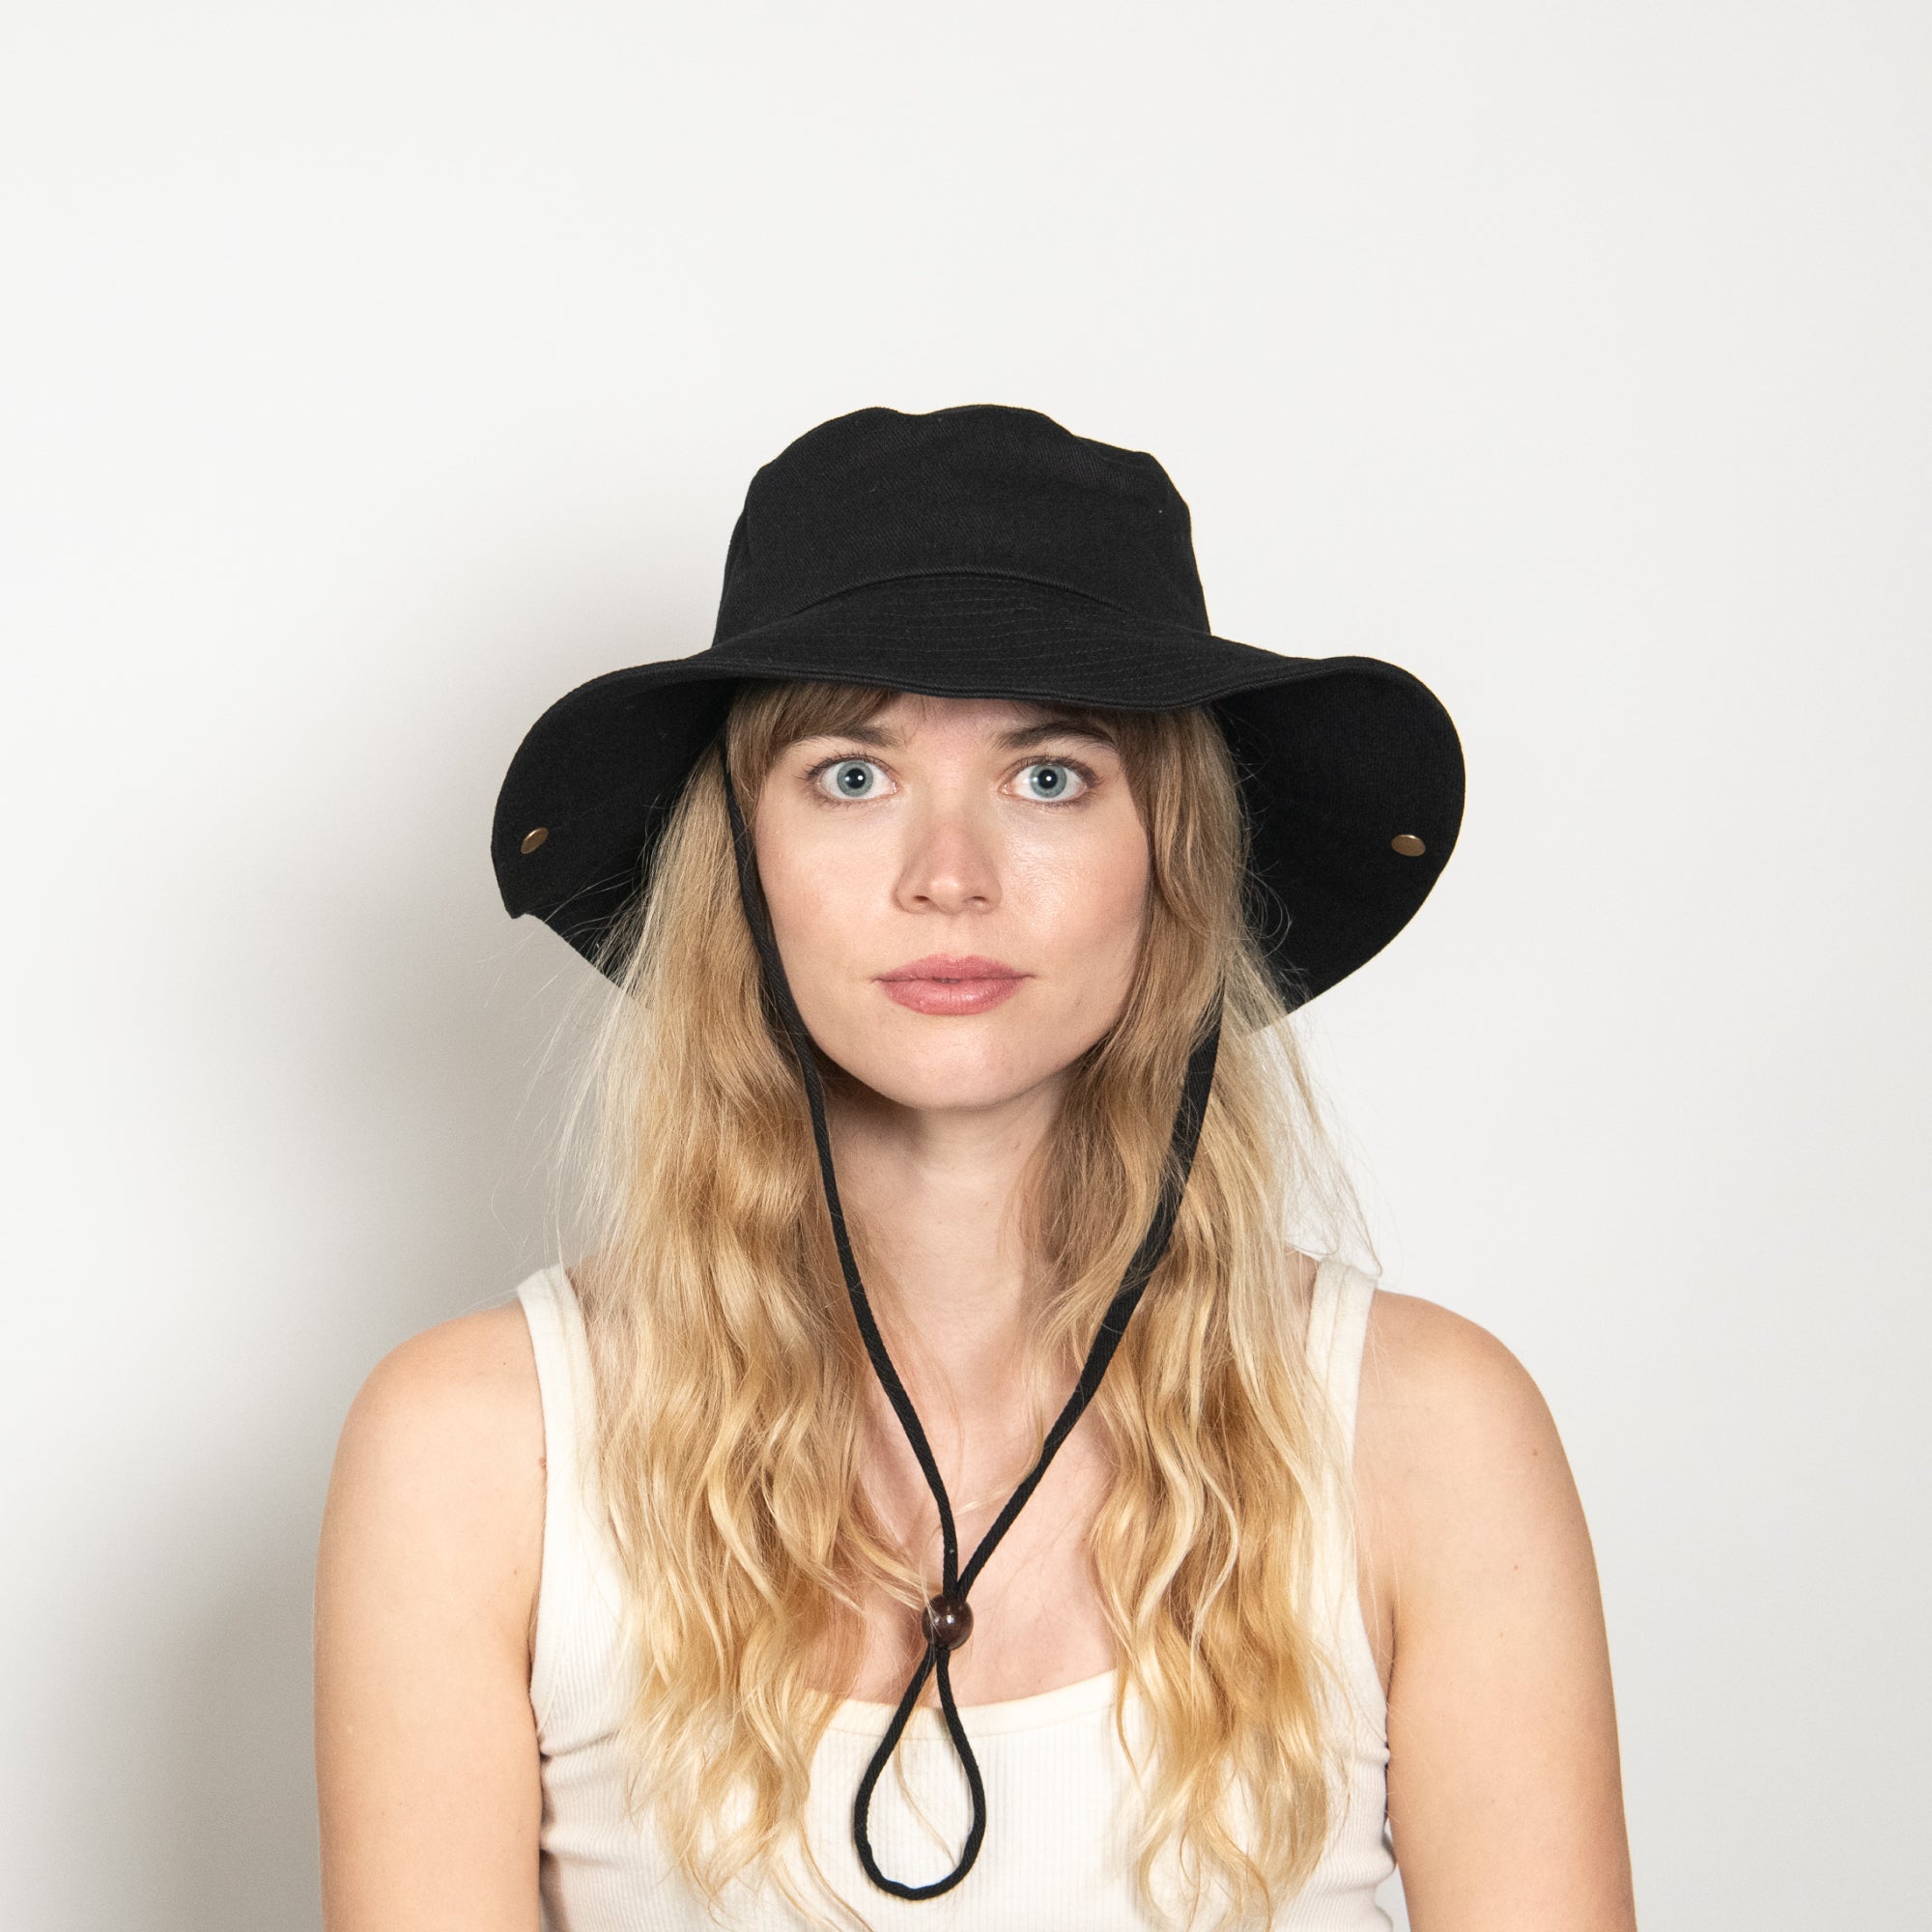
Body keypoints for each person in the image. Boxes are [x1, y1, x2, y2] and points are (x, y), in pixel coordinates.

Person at [314, 406, 1637, 1931]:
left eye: (1052, 777)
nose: (951, 875)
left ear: (1176, 863)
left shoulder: (1427, 1436)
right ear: (736, 865)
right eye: (852, 776)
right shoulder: (482, 1457)